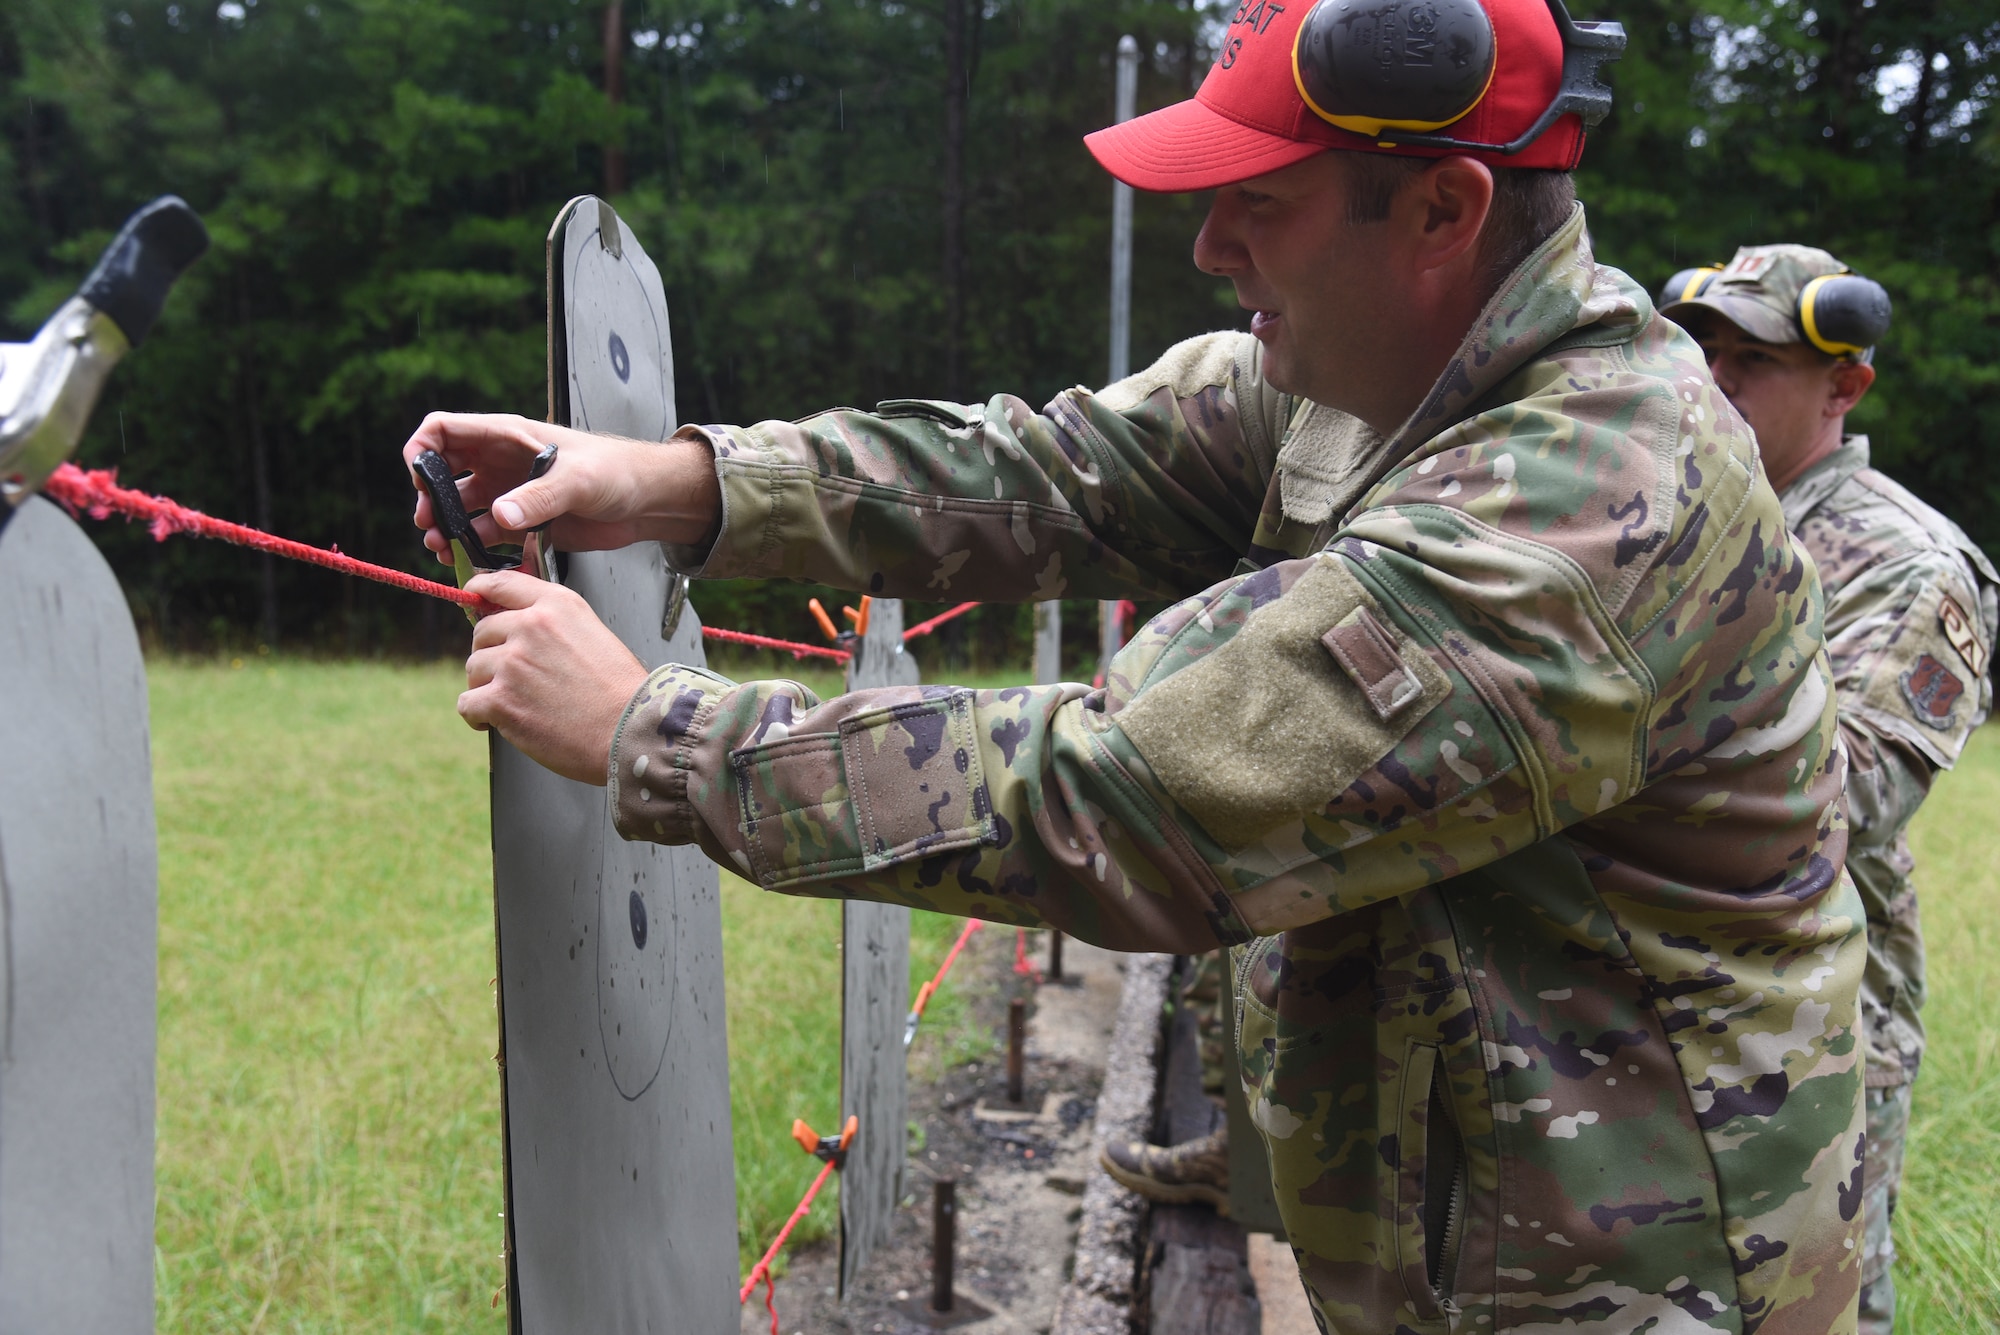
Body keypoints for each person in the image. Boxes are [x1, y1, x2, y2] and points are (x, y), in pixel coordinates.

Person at [408, 0, 1869, 1325]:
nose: (1209, 246)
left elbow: (1141, 795)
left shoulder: (1591, 507)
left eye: (1260, 202)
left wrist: (653, 729)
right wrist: (674, 481)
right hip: (1483, 1222)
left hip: (1631, 1277)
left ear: (1442, 208)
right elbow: (1046, 468)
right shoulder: (1378, 379)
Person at [1661, 246, 1997, 1335]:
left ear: (1840, 385)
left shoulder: (1901, 563)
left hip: (1808, 1028)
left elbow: (1833, 805)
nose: (1710, 383)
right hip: (1657, 994)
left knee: (1810, 1308)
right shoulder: (1668, 522)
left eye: (1748, 362)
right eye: (1702, 354)